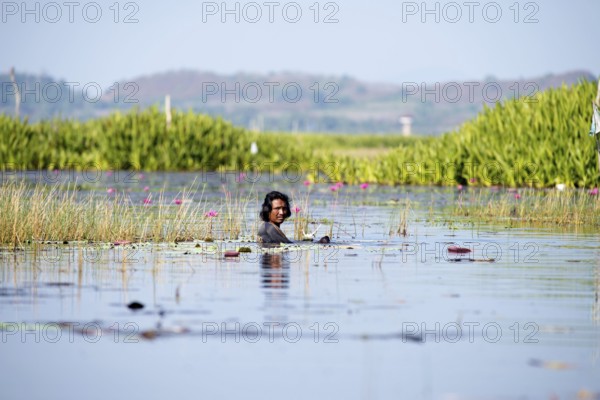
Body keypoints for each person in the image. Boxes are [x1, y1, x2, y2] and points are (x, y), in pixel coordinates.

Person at [257, 191, 331, 244]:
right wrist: (320, 242)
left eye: (284, 208)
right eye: (277, 208)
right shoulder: (269, 228)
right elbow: (287, 244)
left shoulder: (267, 226)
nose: (282, 212)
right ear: (268, 210)